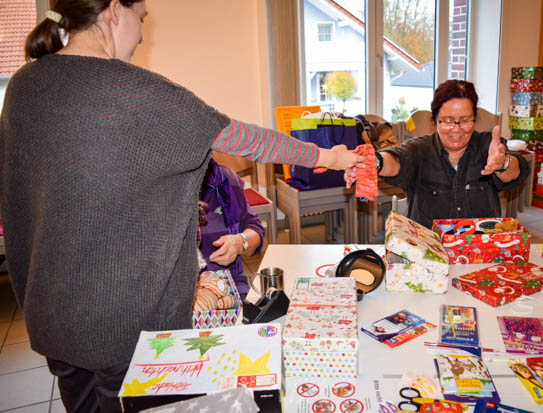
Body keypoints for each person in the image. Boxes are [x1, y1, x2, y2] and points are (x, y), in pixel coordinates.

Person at [0, 1, 365, 412]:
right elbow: (248, 140)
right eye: (142, 19)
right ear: (115, 11)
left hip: (51, 312)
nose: (141, 35)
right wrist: (331, 158)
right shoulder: (141, 93)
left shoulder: (24, 85)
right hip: (125, 328)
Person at [347, 80, 530, 228]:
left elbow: (516, 170)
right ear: (435, 120)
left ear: (474, 119)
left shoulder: (488, 145)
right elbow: (396, 160)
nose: (456, 130)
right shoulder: (419, 149)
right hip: (429, 253)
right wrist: (374, 162)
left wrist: (502, 163)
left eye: (465, 120)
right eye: (448, 121)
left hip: (480, 252)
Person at [198, 159, 264, 299]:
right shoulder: (158, 190)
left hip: (228, 287)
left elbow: (254, 229)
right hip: (178, 298)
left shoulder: (225, 180)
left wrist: (240, 241)